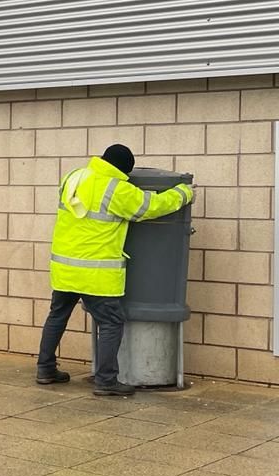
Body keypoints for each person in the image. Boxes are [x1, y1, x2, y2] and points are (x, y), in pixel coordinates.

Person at [36, 143, 194, 399]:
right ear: (123, 169)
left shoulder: (73, 176)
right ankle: (106, 380)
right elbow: (151, 206)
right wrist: (183, 193)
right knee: (111, 322)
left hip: (64, 266)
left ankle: (45, 369)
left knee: (57, 315)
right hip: (96, 271)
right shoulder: (116, 189)